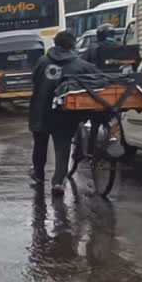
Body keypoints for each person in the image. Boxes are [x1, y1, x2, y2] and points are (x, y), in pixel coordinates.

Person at [29, 30, 99, 195]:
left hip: (41, 111)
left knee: (40, 145)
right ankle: (58, 182)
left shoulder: (42, 61)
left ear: (55, 43)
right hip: (66, 113)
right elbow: (97, 80)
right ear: (73, 45)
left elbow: (34, 81)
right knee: (63, 147)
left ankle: (38, 175)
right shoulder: (81, 65)